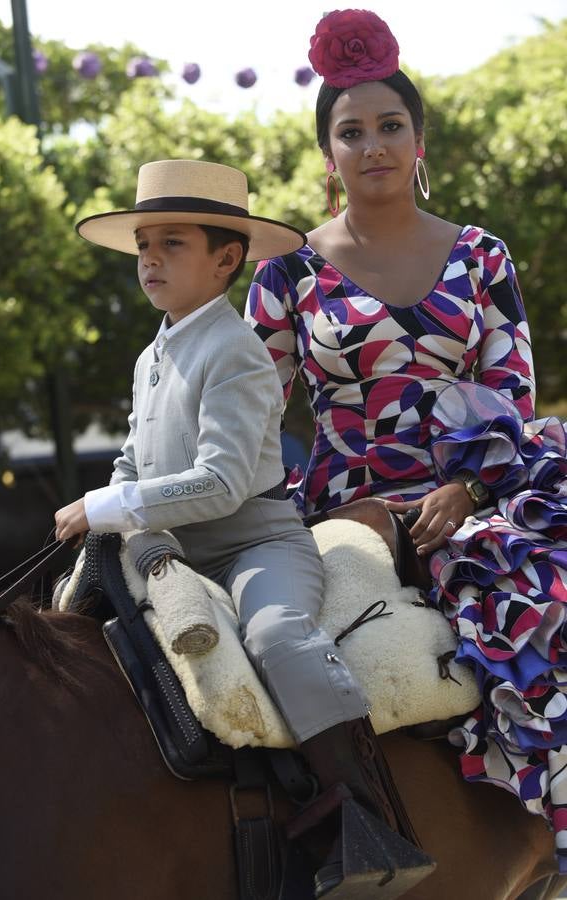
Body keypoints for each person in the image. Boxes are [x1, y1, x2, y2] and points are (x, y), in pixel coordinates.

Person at [54, 159, 433, 897]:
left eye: (172, 244)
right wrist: (99, 507)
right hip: (170, 552)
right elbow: (133, 458)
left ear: (227, 259)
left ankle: (365, 822)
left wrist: (106, 505)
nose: (150, 259)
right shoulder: (152, 355)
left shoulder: (236, 351)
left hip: (256, 545)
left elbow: (222, 482)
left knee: (277, 637)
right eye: (144, 246)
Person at [246, 7, 567, 875]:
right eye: (351, 132)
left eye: (390, 126)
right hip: (344, 507)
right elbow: (250, 410)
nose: (373, 145)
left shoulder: (483, 257)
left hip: (477, 496)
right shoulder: (285, 273)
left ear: (419, 141)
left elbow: (511, 394)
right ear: (329, 154)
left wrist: (468, 490)